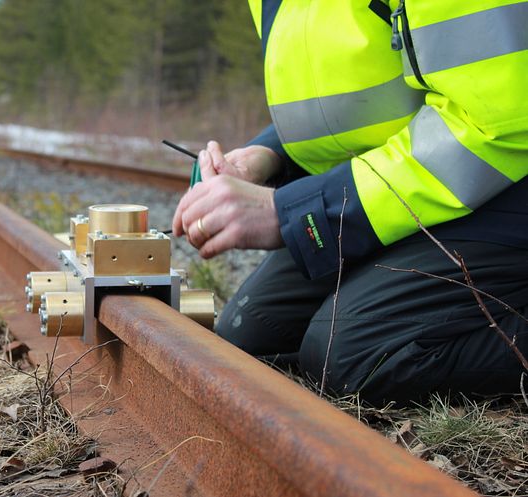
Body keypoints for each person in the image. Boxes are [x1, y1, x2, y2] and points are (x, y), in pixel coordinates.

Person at [171, 0, 528, 406]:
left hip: (506, 183)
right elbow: (363, 102)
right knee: (251, 338)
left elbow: (496, 120)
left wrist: (292, 213)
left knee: (356, 357)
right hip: (420, 186)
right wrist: (269, 156)